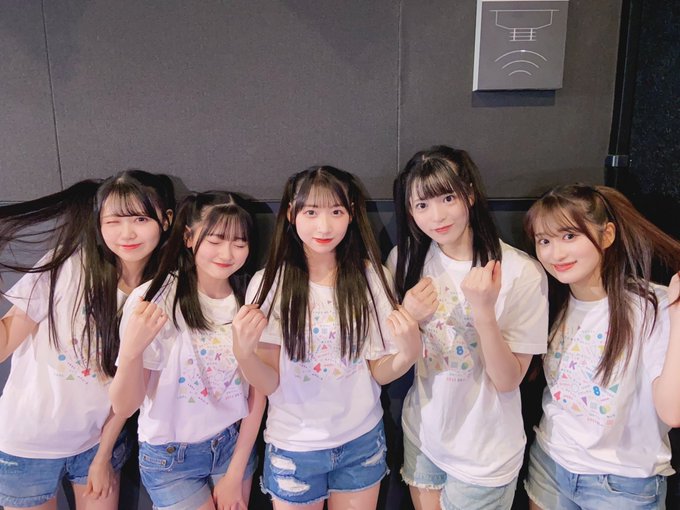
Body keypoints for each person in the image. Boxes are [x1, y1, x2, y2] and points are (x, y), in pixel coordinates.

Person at [232, 166, 421, 509]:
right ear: (292, 214)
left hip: (361, 441)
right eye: (311, 212)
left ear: (351, 214)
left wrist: (407, 354)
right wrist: (243, 354)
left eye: (336, 212)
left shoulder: (371, 277)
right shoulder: (270, 282)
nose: (324, 226)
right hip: (295, 446)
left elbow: (378, 372)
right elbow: (270, 382)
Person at [0, 170, 175, 510]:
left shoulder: (162, 293)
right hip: (26, 443)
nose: (127, 233)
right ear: (99, 224)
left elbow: (129, 401)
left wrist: (103, 454)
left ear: (165, 220)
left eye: (140, 219)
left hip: (97, 442)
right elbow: (5, 342)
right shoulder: (65, 266)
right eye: (114, 221)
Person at [389, 145, 548, 510]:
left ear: (470, 195)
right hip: (423, 437)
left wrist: (484, 312)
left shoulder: (520, 271)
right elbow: (393, 351)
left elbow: (508, 380)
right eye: (422, 205)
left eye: (448, 198)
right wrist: (408, 315)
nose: (437, 216)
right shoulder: (405, 261)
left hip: (484, 454)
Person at [523, 184, 680, 509]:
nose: (556, 254)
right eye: (544, 241)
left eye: (569, 236)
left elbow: (673, 412)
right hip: (550, 463)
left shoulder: (651, 306)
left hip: (622, 484)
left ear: (607, 235)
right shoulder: (551, 299)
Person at [110, 191, 265, 510]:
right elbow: (125, 406)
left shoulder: (248, 299)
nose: (227, 253)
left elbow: (257, 392)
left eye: (239, 243)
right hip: (170, 457)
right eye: (216, 240)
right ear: (189, 237)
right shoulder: (155, 299)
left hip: (232, 444)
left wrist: (235, 472)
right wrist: (131, 352)